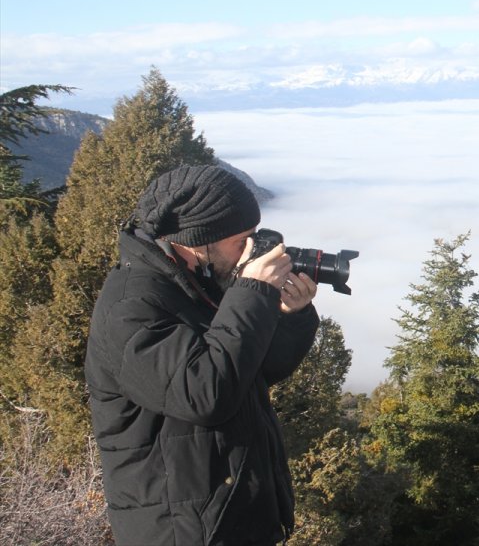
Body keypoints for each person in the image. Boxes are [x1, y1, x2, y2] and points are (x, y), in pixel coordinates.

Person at [85, 165, 320, 546]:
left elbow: (250, 371)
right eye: (241, 239)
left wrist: (288, 316)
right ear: (198, 238)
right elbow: (206, 394)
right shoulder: (131, 307)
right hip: (181, 529)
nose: (249, 249)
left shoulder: (193, 284)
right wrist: (252, 292)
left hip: (224, 517)